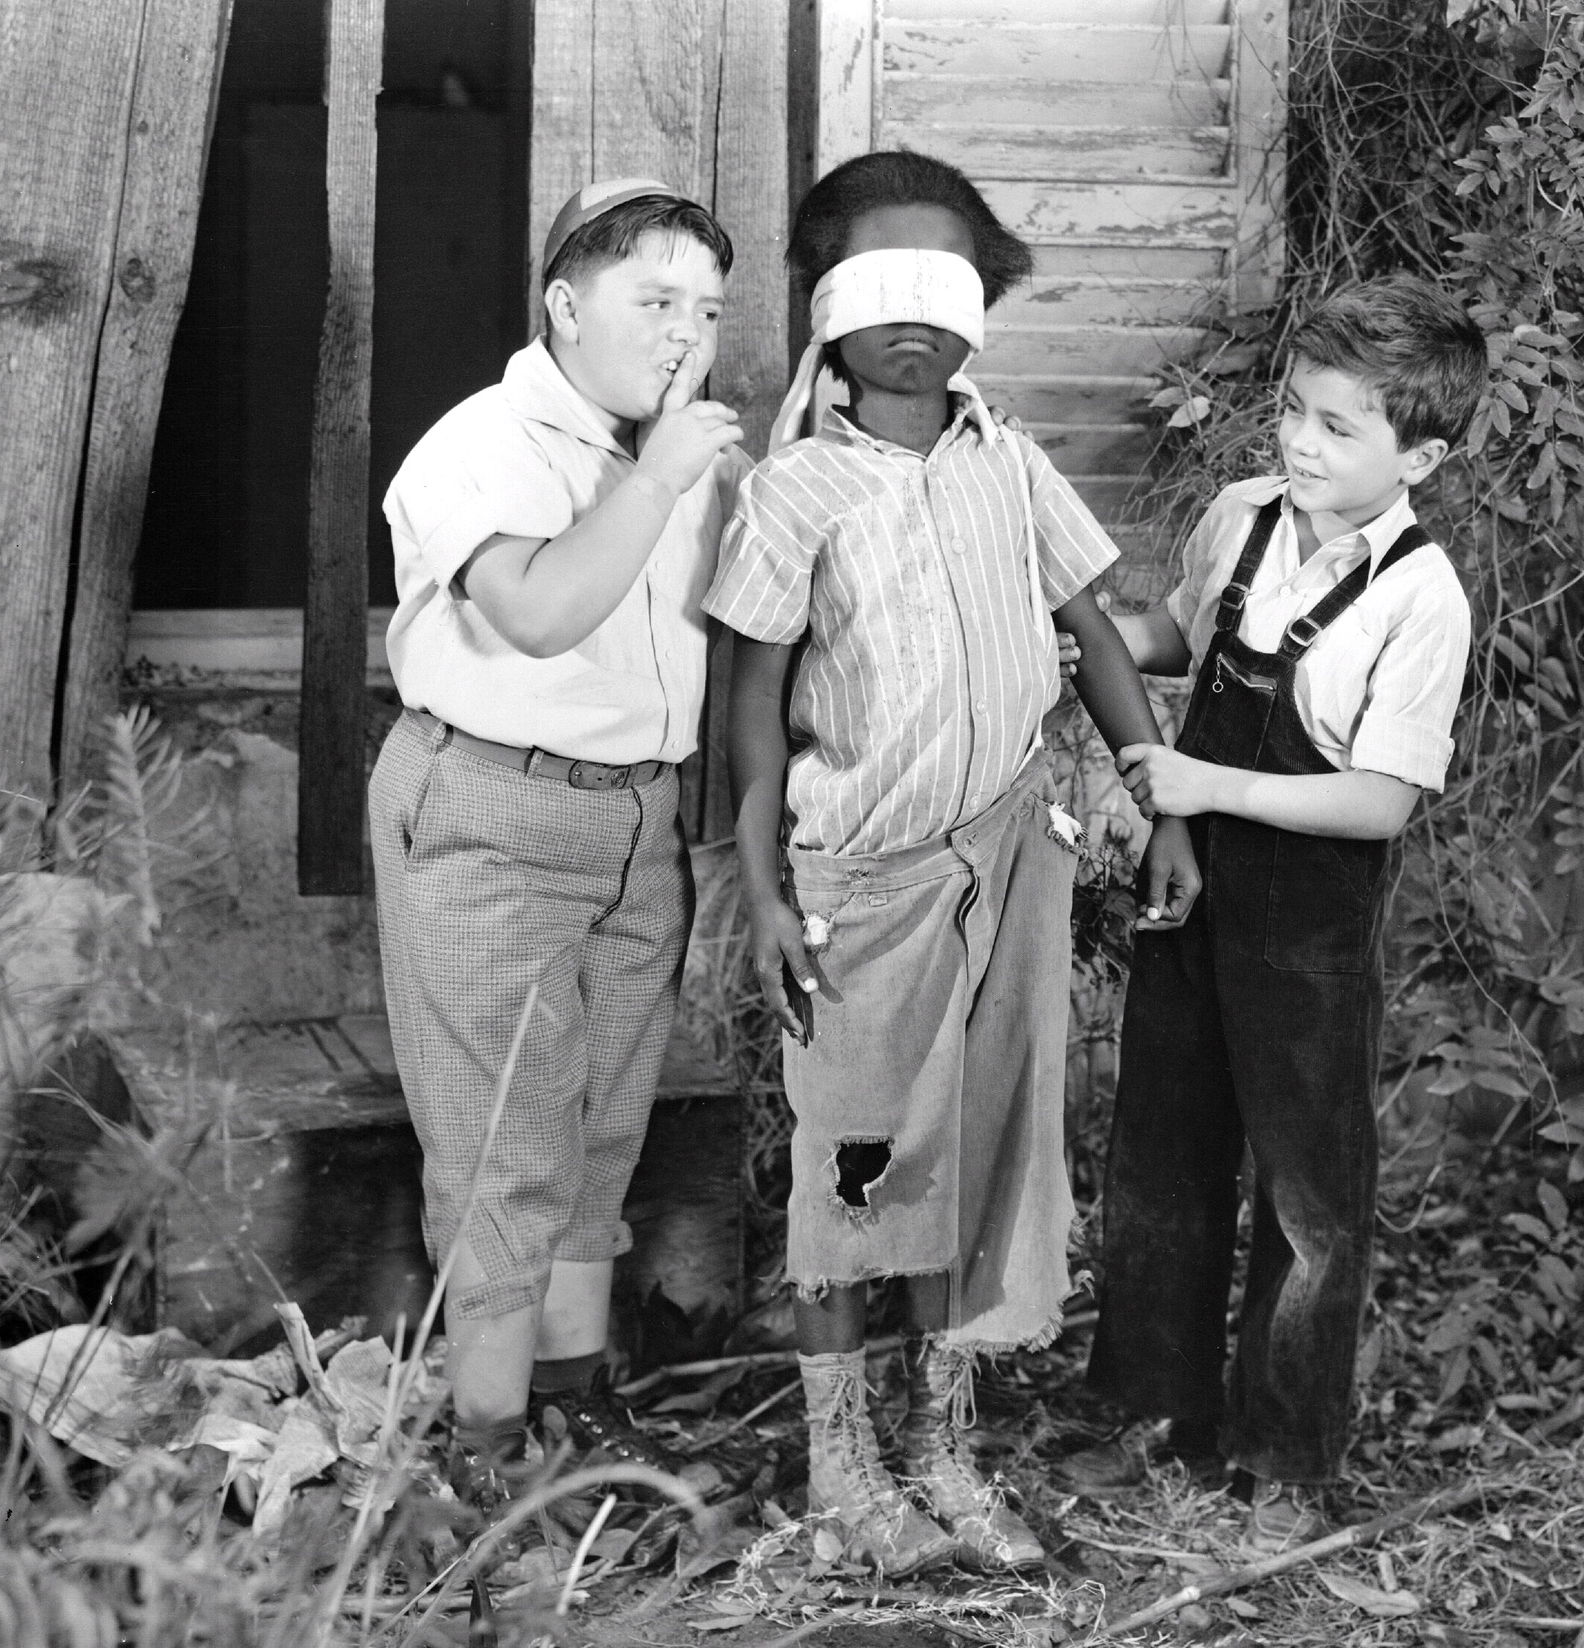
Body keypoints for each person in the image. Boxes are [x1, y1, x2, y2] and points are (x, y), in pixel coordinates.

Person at [706, 150, 1201, 1576]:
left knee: (988, 1153)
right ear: (824, 307)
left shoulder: (1012, 459)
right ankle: (842, 1472)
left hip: (1014, 860)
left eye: (947, 282)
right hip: (864, 877)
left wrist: (1150, 790)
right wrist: (762, 889)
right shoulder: (792, 490)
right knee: (860, 1166)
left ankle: (944, 1449)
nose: (914, 317)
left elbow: (1091, 630)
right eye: (878, 283)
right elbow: (749, 703)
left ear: (982, 300)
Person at [1061, 274, 1486, 1548]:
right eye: (1294, 412)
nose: (1298, 443)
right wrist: (1066, 630)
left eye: (1336, 428)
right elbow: (1167, 640)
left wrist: (1202, 783)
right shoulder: (1242, 519)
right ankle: (1151, 1409)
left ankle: (1285, 1456)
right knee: (1162, 1159)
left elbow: (1379, 801)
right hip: (1190, 899)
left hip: (1305, 922)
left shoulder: (1422, 598)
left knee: (1308, 1202)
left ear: (1420, 453)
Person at [367, 180, 747, 1515]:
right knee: (501, 1145)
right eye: (655, 302)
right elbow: (534, 614)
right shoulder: (480, 443)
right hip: (489, 808)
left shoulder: (681, 453)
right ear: (565, 303)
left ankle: (577, 1402)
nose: (684, 335)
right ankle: (483, 1451)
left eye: (705, 309)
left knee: (601, 1132)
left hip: (641, 818)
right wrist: (657, 481)